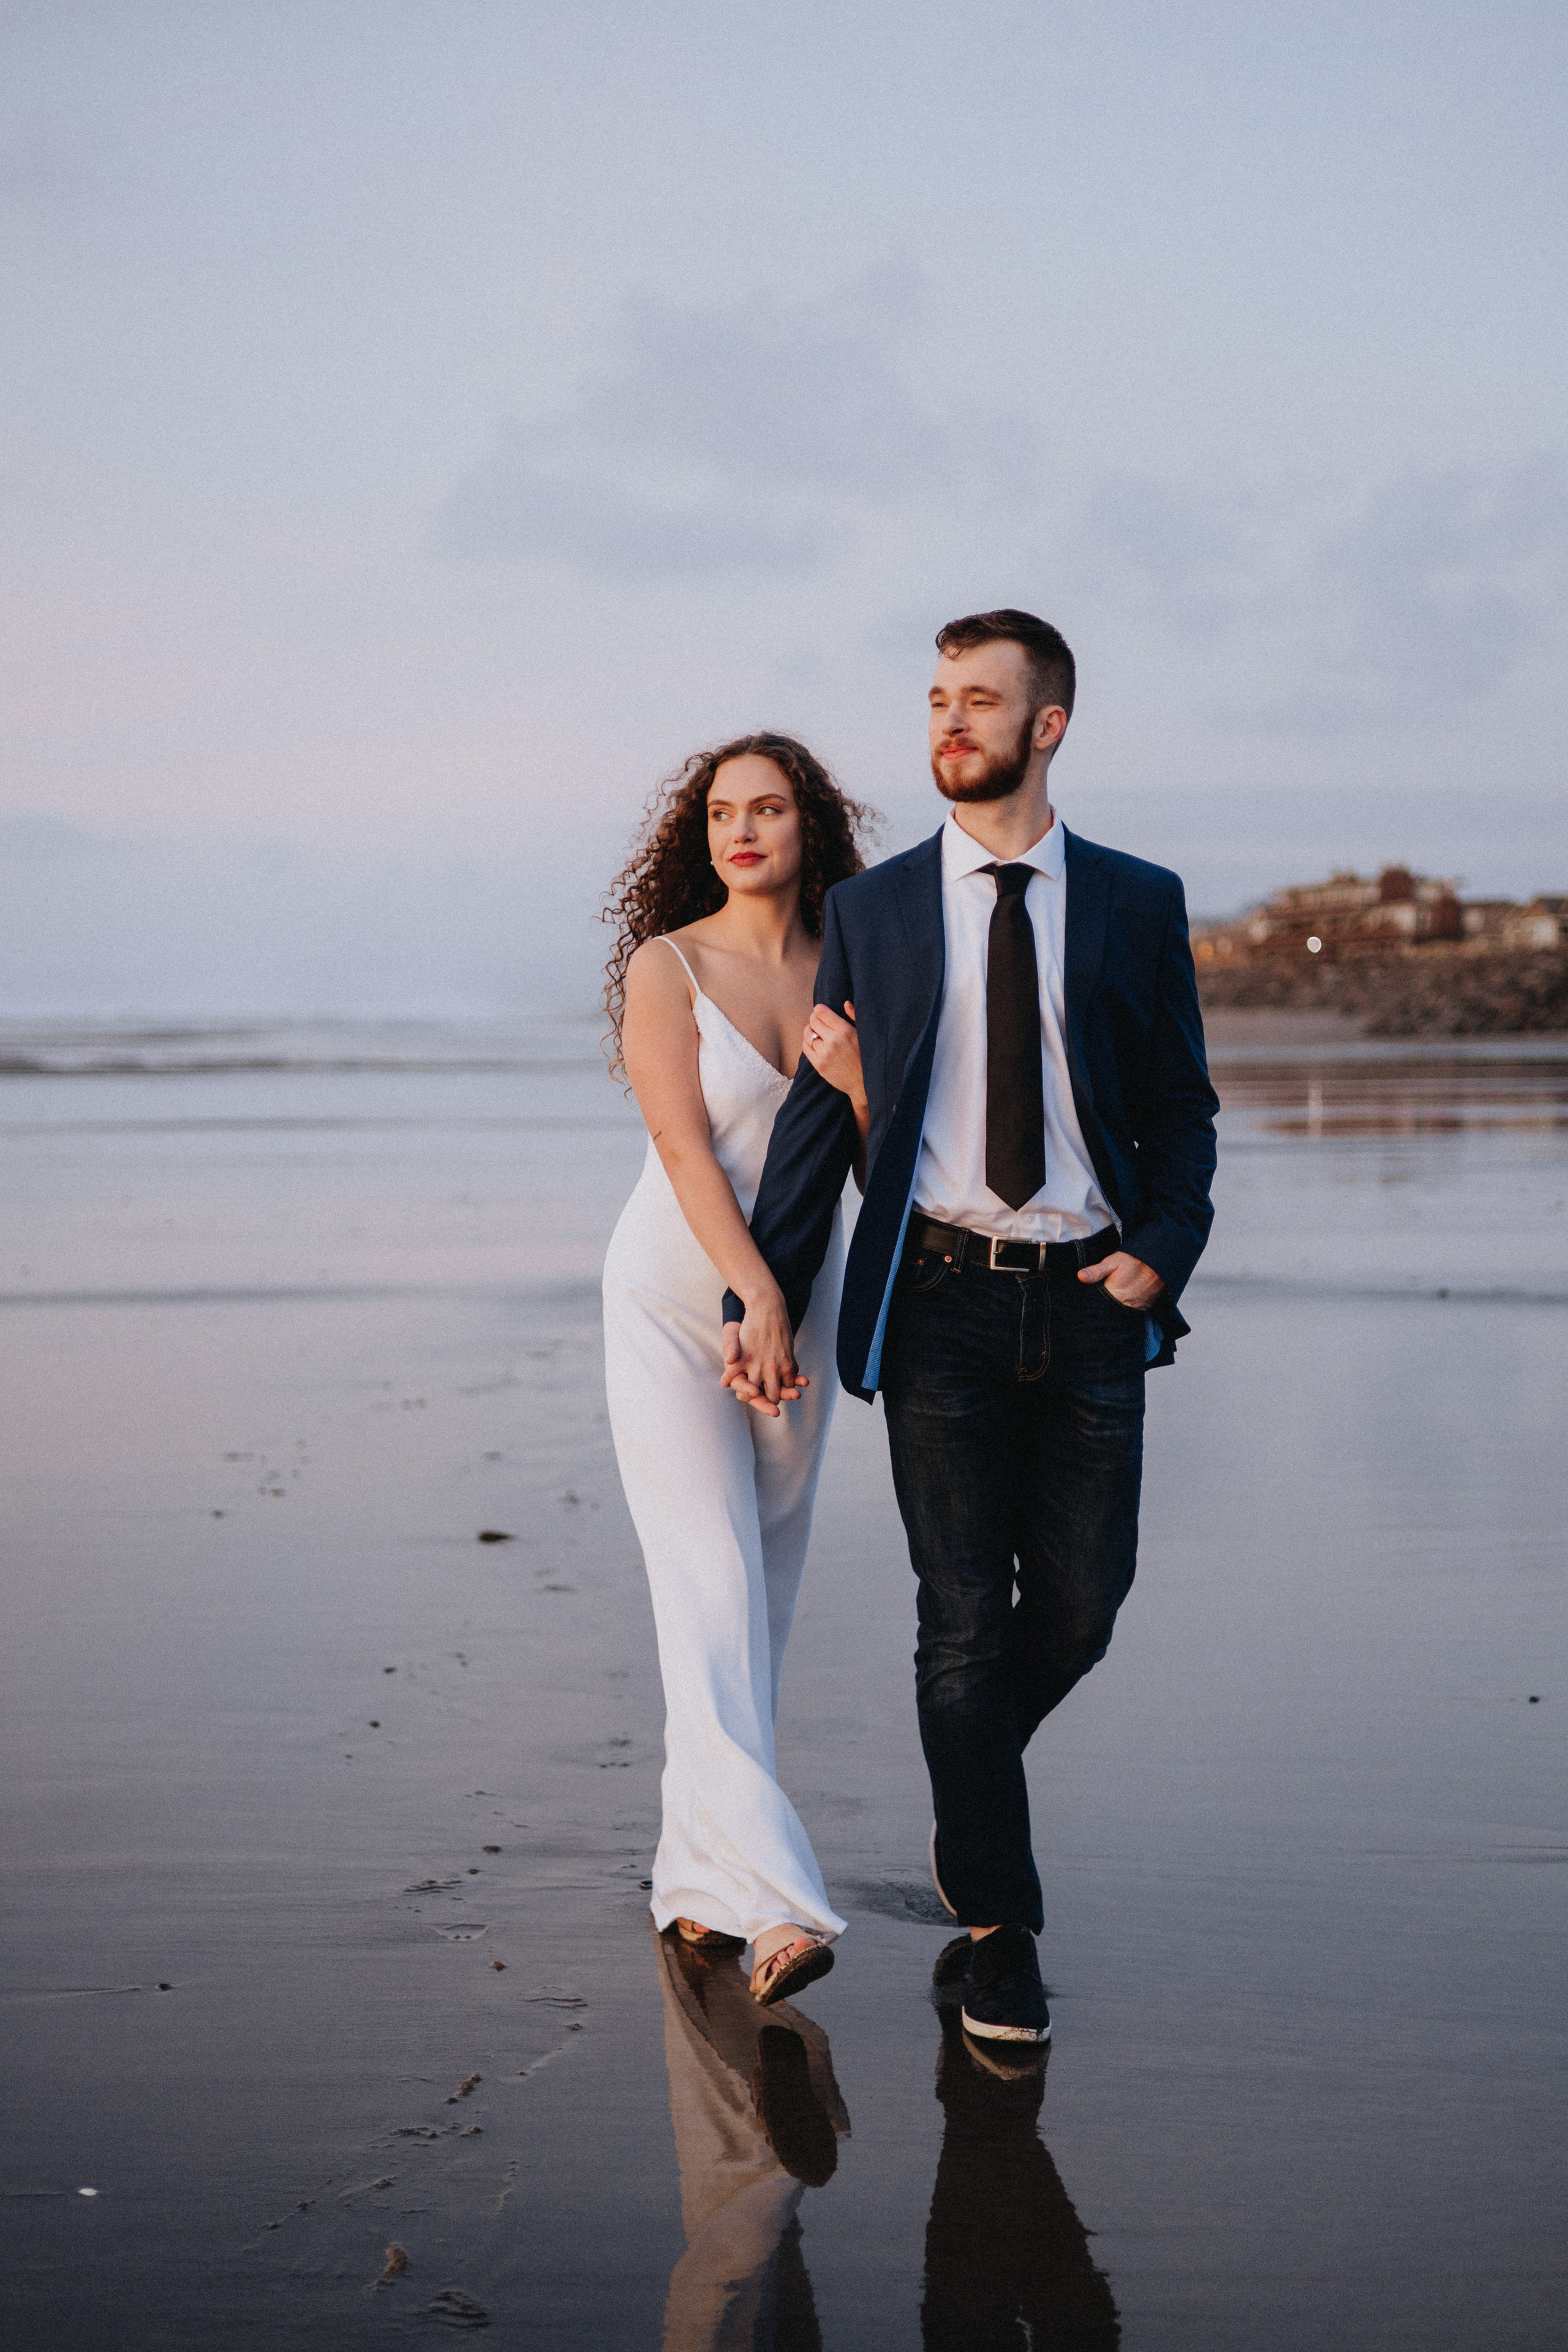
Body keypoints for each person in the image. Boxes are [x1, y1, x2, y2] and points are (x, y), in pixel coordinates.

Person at [723, 612, 1219, 2045]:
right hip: (936, 1296)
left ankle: (966, 1793)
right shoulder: (873, 912)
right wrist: (758, 1294)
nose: (947, 724)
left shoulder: (1133, 897)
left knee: (1079, 1604)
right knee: (959, 1626)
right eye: (935, 699)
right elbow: (820, 1132)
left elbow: (1178, 1108)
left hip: (1089, 1303)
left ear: (1045, 725)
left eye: (978, 703)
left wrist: (1161, 1256)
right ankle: (999, 1924)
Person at [602, 733, 875, 2007]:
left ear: (806, 825)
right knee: (705, 1578)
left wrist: (862, 1083)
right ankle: (775, 1908)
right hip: (675, 1301)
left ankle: (692, 1882)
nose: (742, 830)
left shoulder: (855, 965)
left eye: (768, 808)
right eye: (721, 812)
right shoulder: (668, 968)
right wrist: (746, 1291)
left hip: (797, 1305)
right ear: (698, 834)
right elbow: (680, 1143)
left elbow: (894, 1151)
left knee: (756, 1596)